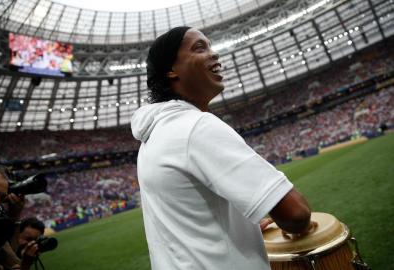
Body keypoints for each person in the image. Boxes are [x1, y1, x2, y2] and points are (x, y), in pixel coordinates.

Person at [131, 26, 315, 270]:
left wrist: (240, 228)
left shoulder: (152, 136)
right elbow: (296, 215)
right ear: (171, 70)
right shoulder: (196, 126)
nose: (214, 54)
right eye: (199, 48)